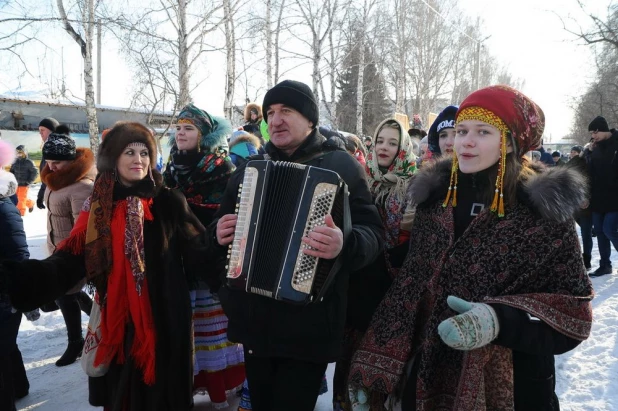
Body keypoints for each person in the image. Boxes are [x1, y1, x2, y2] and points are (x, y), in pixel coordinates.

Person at [349, 85, 594, 410]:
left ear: (508, 140)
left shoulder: (542, 211)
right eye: (462, 130)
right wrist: (374, 365)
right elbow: (410, 285)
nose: (465, 140)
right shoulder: (434, 200)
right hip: (429, 374)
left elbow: (573, 312)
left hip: (516, 382)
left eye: (482, 132)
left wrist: (499, 320)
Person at [1, 121, 217, 411]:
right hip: (117, 319)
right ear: (113, 157)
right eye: (129, 152)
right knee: (123, 395)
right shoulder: (98, 206)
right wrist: (24, 279)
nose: (138, 160)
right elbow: (71, 259)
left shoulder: (168, 201)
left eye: (144, 153)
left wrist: (222, 248)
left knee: (165, 397)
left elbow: (199, 251)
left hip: (165, 318)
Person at [211, 80, 383, 411]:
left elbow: (373, 233)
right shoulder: (248, 171)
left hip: (310, 325)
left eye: (286, 111)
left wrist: (343, 244)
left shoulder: (342, 166)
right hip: (255, 322)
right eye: (270, 113)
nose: (275, 120)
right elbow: (215, 236)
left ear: (309, 119)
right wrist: (217, 236)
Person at [163, 104, 244, 408]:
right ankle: (191, 382)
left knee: (212, 330)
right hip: (178, 261)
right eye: (179, 128)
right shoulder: (170, 166)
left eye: (189, 129)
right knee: (188, 327)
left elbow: (229, 215)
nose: (181, 133)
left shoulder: (220, 168)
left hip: (209, 262)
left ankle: (223, 386)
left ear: (204, 136)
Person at [333, 118, 417, 410]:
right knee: (350, 354)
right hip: (358, 281)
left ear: (403, 148)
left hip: (393, 285)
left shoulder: (414, 186)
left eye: (393, 143)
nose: (384, 147)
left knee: (382, 364)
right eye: (380, 140)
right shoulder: (360, 179)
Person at [41, 132, 96, 366]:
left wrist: (70, 255)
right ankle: (96, 317)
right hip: (56, 248)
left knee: (65, 294)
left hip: (71, 254)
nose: (51, 167)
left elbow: (82, 228)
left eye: (57, 162)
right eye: (49, 162)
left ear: (71, 161)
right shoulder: (56, 179)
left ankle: (76, 343)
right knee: (70, 293)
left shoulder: (81, 187)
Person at [0, 141, 30, 411]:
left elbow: (20, 254)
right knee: (6, 347)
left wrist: (19, 293)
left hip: (5, 291)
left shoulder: (4, 209)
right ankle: (19, 386)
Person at [587, 115, 618, 276]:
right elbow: (590, 172)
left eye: (595, 131)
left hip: (615, 198)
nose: (593, 135)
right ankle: (605, 265)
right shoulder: (594, 147)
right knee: (599, 231)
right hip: (598, 197)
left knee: (609, 229)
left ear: (604, 129)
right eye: (592, 133)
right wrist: (589, 153)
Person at [36, 117, 59, 210]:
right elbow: (45, 175)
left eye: (43, 130)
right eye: (39, 130)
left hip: (57, 195)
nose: (40, 133)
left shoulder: (58, 148)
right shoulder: (48, 146)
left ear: (52, 131)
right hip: (51, 193)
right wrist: (41, 194)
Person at [9, 145, 38, 216]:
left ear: (24, 153)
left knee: (21, 199)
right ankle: (30, 203)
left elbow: (35, 172)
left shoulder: (29, 162)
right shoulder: (15, 162)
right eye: (17, 153)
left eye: (20, 153)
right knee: (16, 197)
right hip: (16, 183)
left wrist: (29, 181)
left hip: (24, 184)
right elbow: (12, 171)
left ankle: (21, 213)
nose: (19, 155)